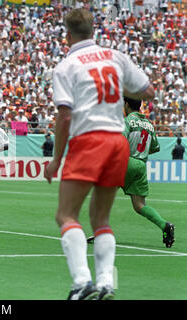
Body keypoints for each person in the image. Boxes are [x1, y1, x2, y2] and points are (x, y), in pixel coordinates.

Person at [44, 9, 155, 300]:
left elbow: (65, 117)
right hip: (117, 143)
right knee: (101, 220)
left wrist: (56, 159)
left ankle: (82, 281)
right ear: (93, 30)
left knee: (66, 214)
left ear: (67, 34)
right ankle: (105, 283)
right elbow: (148, 91)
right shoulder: (115, 56)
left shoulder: (66, 67)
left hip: (89, 141)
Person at [87, 97, 175, 247]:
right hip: (141, 164)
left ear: (126, 105)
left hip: (125, 162)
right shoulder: (149, 124)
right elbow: (155, 147)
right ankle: (164, 225)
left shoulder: (127, 121)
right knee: (139, 205)